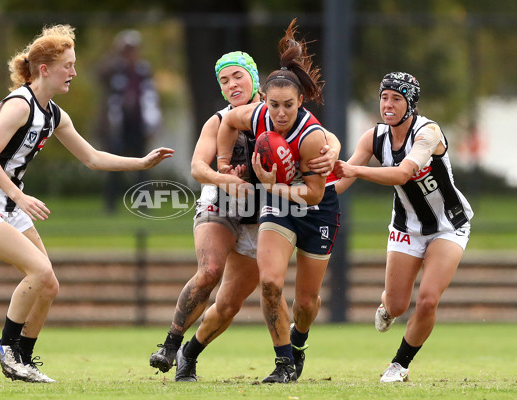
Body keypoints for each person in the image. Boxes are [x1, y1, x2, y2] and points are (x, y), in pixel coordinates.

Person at [0, 24, 173, 383]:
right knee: (38, 272)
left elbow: (92, 157)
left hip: (7, 205)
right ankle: (6, 347)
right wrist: (20, 196)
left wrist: (141, 162)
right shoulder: (18, 105)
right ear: (45, 69)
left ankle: (21, 360)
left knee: (50, 284)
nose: (74, 72)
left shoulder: (54, 114)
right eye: (67, 65)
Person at [149, 50, 339, 381]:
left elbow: (319, 136)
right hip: (224, 202)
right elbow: (197, 167)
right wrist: (224, 172)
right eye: (224, 80)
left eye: (238, 76)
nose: (232, 84)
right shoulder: (226, 118)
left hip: (265, 207)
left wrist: (332, 148)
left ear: (254, 80)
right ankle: (170, 344)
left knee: (229, 304)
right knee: (210, 271)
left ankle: (188, 354)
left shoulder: (279, 111)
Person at [215, 19, 341, 384]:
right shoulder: (255, 115)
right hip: (279, 206)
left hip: (316, 209)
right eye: (274, 105)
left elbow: (315, 193)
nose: (280, 113)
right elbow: (227, 123)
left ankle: (298, 345)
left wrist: (271, 185)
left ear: (301, 101)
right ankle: (284, 362)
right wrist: (224, 164)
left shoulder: (312, 138)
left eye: (288, 105)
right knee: (270, 283)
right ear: (264, 101)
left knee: (305, 303)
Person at [333, 72, 473, 382]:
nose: (388, 104)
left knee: (427, 299)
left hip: (448, 224)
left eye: (397, 98)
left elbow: (401, 174)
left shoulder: (428, 132)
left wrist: (354, 169)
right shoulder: (373, 137)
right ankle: (388, 305)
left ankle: (399, 364)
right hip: (406, 226)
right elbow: (343, 179)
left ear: (411, 104)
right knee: (396, 304)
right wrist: (309, 195)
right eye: (384, 97)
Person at [95, 29, 162, 213]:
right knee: (113, 163)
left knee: (143, 165)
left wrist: (153, 122)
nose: (130, 53)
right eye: (126, 49)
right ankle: (111, 205)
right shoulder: (113, 69)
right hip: (117, 125)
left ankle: (143, 203)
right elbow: (100, 76)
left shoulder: (143, 70)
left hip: (137, 124)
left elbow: (150, 96)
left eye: (132, 49)